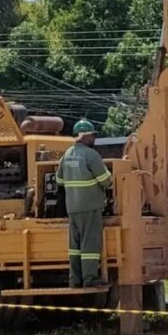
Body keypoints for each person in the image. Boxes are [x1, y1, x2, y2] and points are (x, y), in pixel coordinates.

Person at [56, 119, 112, 288]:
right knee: (89, 244)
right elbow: (106, 181)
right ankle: (89, 278)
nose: (94, 139)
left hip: (72, 208)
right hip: (90, 206)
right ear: (85, 136)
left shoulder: (66, 155)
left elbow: (59, 180)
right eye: (92, 135)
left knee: (74, 246)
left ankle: (74, 279)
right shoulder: (91, 155)